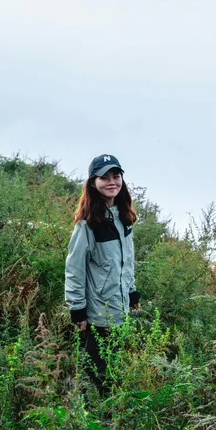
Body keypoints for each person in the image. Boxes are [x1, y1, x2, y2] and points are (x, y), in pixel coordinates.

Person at [65, 154, 140, 392]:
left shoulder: (124, 218)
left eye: (116, 176)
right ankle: (92, 421)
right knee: (95, 375)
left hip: (120, 310)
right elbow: (74, 269)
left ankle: (111, 419)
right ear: (92, 183)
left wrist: (132, 291)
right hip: (97, 313)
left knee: (115, 369)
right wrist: (77, 309)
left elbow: (127, 261)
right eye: (104, 177)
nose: (111, 182)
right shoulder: (87, 225)